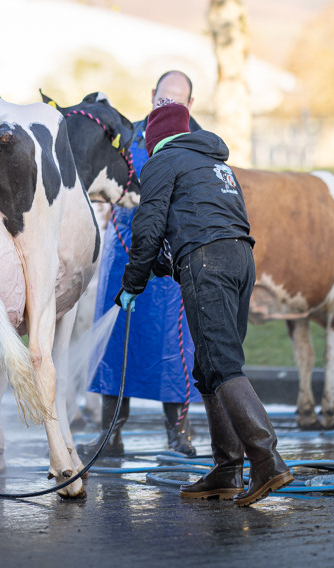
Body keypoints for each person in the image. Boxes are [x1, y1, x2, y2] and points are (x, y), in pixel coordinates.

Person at [117, 99, 292, 506]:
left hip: (207, 262)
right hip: (240, 259)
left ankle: (266, 460)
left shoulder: (162, 161)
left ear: (155, 138)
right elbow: (198, 221)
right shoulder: (216, 165)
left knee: (221, 363)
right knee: (210, 365)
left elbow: (149, 226)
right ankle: (227, 469)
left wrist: (133, 283)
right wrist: (161, 266)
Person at [79, 71, 203, 460]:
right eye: (163, 97)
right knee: (116, 343)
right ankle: (109, 434)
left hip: (171, 259)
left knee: (174, 345)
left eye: (177, 100)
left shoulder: (198, 142)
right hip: (123, 250)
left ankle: (178, 435)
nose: (169, 105)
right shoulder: (125, 136)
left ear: (190, 104)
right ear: (152, 95)